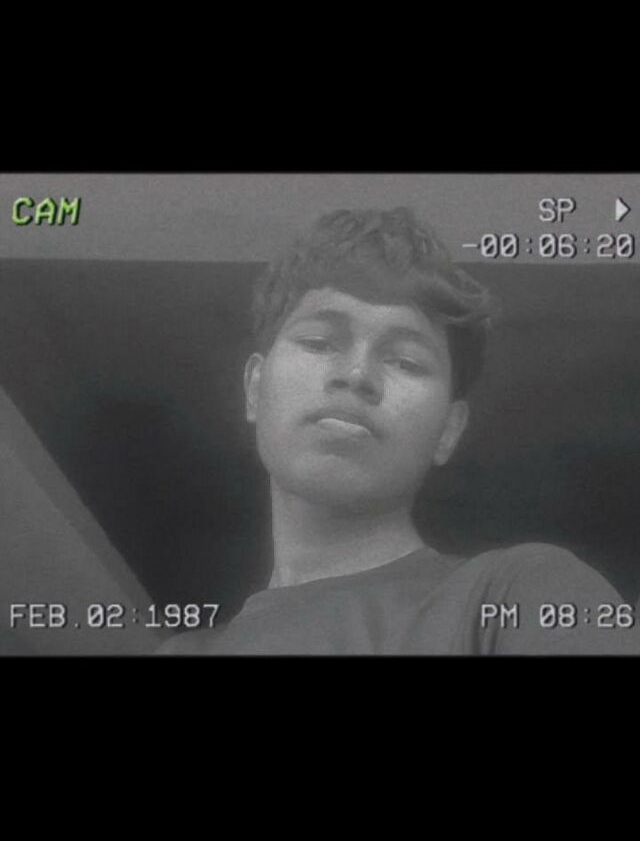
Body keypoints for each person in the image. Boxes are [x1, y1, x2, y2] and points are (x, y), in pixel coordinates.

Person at [159, 207, 639, 655]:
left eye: (406, 361)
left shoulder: (518, 595)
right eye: (320, 342)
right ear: (254, 388)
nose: (356, 375)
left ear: (449, 429)